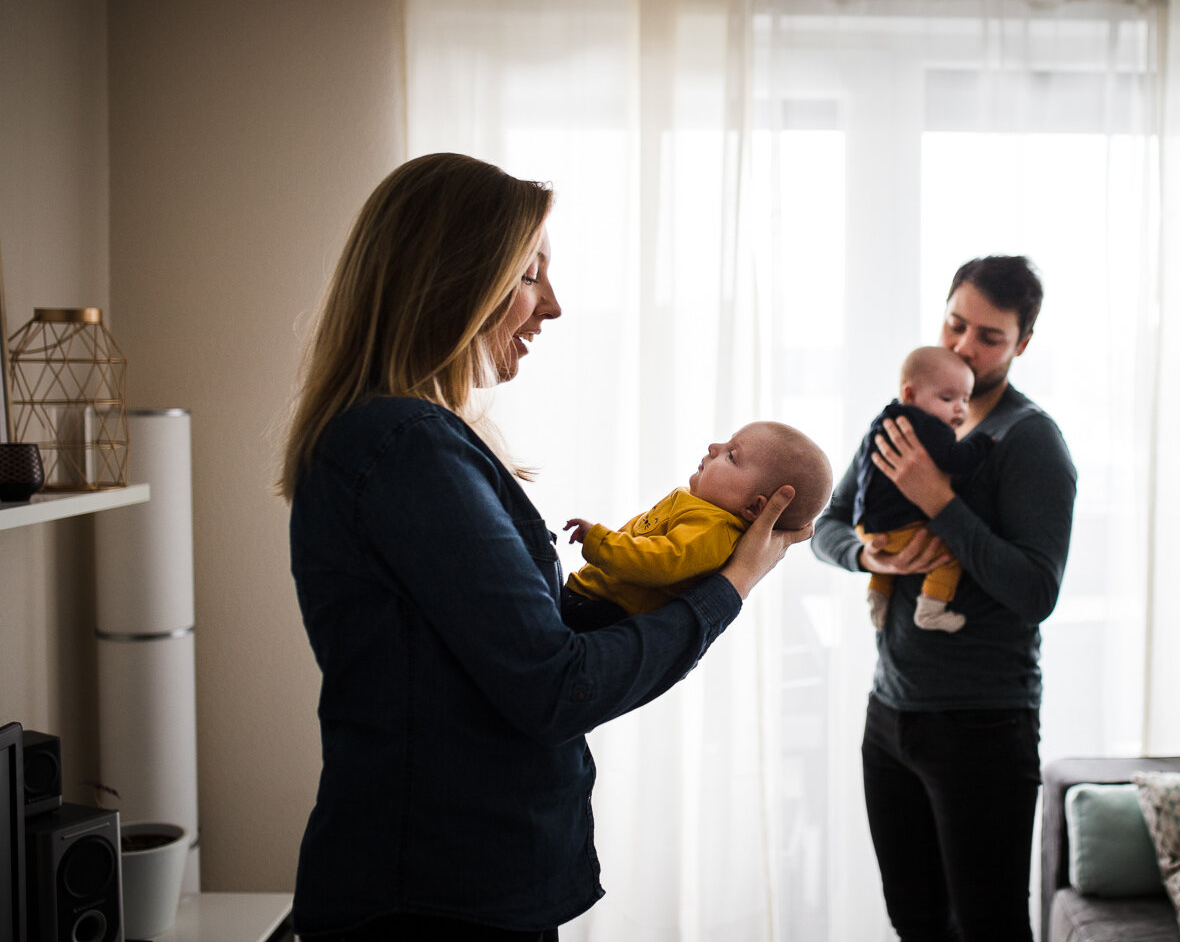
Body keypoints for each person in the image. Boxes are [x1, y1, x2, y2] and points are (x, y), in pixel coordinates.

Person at [277, 152, 812, 942]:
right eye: (530, 275)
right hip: (435, 899)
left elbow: (536, 647)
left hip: (453, 884)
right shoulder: (406, 447)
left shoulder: (414, 442)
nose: (552, 307)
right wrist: (725, 590)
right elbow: (557, 688)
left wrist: (672, 579)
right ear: (450, 278)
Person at [813, 255, 1077, 942]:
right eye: (955, 324)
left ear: (1022, 344)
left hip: (983, 725)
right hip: (890, 716)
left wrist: (940, 500)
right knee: (916, 924)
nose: (963, 346)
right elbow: (829, 525)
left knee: (987, 928)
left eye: (989, 336)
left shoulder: (1029, 440)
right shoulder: (904, 413)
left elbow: (1036, 590)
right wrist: (869, 554)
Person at [560, 420, 832, 631]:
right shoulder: (700, 509)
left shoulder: (714, 532)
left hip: (600, 613)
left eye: (732, 456)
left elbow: (659, 561)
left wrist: (598, 539)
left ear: (754, 507)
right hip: (590, 597)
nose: (714, 448)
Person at [853, 346, 993, 634]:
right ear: (910, 395)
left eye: (965, 399)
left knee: (889, 558)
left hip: (865, 526)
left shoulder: (882, 421)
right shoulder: (930, 427)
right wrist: (983, 443)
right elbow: (956, 459)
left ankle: (878, 592)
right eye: (947, 398)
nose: (960, 408)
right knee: (947, 556)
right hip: (899, 526)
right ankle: (931, 609)